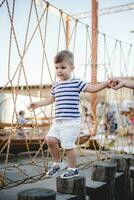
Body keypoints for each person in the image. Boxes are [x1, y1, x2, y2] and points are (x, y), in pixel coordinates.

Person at [28, 50, 110, 179]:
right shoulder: (55, 85)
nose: (59, 70)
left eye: (63, 67)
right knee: (50, 140)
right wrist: (38, 104)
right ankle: (58, 163)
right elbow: (50, 99)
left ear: (72, 68)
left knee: (67, 146)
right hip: (58, 121)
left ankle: (73, 168)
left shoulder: (76, 82)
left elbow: (92, 88)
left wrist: (105, 84)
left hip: (71, 121)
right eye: (57, 68)